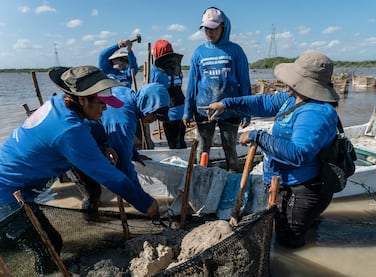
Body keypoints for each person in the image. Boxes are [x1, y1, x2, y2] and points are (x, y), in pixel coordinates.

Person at [0, 66, 159, 274]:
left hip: (20, 189)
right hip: (7, 196)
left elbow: (90, 127)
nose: (105, 109)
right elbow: (110, 177)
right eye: (102, 104)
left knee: (46, 242)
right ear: (82, 99)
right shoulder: (69, 131)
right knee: (45, 246)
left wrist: (104, 145)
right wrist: (146, 203)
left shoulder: (60, 104)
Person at [199, 50, 339, 248]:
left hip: (300, 192)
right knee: (301, 236)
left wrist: (258, 136)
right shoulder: (293, 98)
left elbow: (299, 154)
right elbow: (262, 103)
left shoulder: (316, 112)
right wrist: (227, 104)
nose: (287, 82)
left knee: (289, 248)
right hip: (284, 184)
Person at [183, 7, 252, 172]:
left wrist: (246, 111)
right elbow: (192, 83)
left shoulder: (236, 51)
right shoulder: (199, 52)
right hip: (204, 110)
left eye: (213, 28)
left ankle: (233, 180)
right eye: (207, 28)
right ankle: (202, 177)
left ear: (223, 27)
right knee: (203, 148)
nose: (210, 32)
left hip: (230, 109)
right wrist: (187, 110)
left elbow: (244, 82)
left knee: (230, 148)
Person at [150, 39, 187, 149]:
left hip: (169, 112)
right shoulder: (177, 67)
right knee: (180, 140)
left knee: (173, 144)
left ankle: (180, 164)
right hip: (182, 108)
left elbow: (153, 90)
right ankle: (189, 161)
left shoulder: (156, 70)